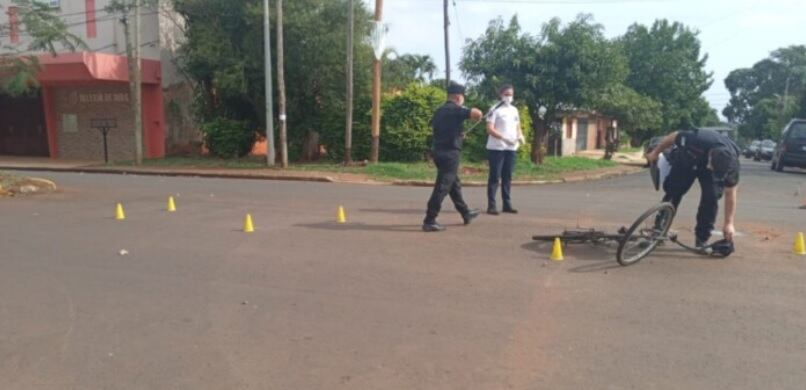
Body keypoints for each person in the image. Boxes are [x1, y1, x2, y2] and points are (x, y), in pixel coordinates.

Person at [645, 128, 741, 247]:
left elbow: (730, 193)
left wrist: (729, 223)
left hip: (711, 166)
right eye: (712, 166)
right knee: (674, 191)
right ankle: (659, 229)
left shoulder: (732, 164)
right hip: (688, 158)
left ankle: (702, 238)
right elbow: (673, 136)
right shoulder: (696, 138)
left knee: (711, 197)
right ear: (710, 156)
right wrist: (655, 153)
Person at [422, 82, 484, 232]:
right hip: (450, 154)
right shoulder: (456, 110)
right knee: (443, 186)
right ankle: (429, 220)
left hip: (439, 151)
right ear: (458, 97)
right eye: (463, 97)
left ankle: (465, 212)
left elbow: (443, 130)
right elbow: (477, 114)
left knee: (453, 184)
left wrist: (458, 134)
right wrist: (474, 112)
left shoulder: (439, 111)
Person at [485, 84, 525, 215]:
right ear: (501, 95)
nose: (509, 97)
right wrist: (502, 138)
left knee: (507, 177)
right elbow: (489, 129)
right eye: (506, 94)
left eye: (511, 94)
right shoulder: (495, 109)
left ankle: (507, 204)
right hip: (497, 148)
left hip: (511, 147)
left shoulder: (514, 110)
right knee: (495, 177)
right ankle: (491, 205)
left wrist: (520, 136)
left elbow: (517, 126)